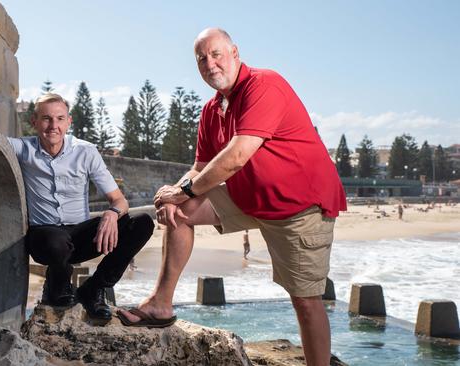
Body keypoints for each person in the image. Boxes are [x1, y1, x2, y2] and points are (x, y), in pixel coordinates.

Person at [117, 28, 346, 365]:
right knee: (182, 210)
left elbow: (237, 156)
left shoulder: (264, 85)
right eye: (202, 59)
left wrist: (182, 191)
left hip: (300, 206)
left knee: (306, 302)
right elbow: (198, 168)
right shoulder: (211, 111)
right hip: (250, 196)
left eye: (216, 54)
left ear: (235, 53)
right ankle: (160, 303)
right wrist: (172, 198)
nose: (210, 64)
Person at [0, 93, 154, 323]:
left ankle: (94, 288)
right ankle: (58, 283)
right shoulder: (23, 149)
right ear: (33, 122)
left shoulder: (86, 151)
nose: (53, 126)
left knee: (142, 223)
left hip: (82, 237)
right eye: (46, 119)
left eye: (60, 119)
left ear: (68, 122)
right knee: (55, 239)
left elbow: (120, 200)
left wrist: (112, 215)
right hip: (45, 239)